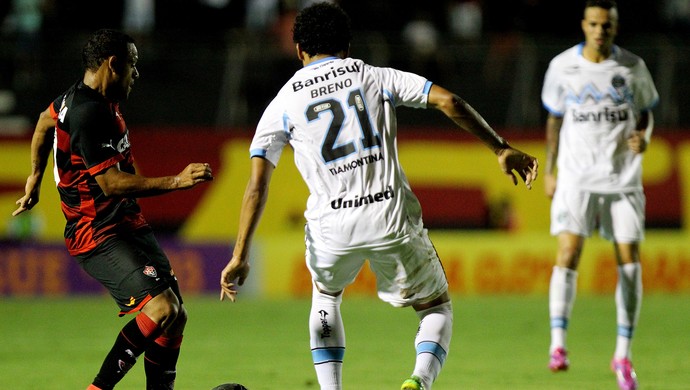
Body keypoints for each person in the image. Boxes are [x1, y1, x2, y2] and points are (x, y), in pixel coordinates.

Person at [219, 3, 538, 390]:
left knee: (326, 298)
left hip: (332, 225)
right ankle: (419, 381)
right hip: (390, 214)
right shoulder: (373, 75)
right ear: (347, 45)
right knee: (435, 307)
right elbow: (449, 102)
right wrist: (501, 147)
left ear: (299, 49)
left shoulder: (283, 102)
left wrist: (239, 254)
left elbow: (257, 184)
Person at [12, 29, 214, 390]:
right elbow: (111, 183)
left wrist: (34, 177)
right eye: (133, 65)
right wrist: (177, 181)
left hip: (125, 224)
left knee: (177, 315)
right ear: (114, 64)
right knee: (162, 308)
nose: (137, 74)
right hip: (97, 232)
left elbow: (44, 123)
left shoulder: (80, 101)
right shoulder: (88, 114)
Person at [541, 1, 658, 390]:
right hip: (575, 177)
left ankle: (623, 356)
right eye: (593, 24)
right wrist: (551, 170)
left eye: (606, 25)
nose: (599, 30)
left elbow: (645, 112)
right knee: (568, 252)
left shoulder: (632, 67)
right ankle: (558, 345)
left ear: (615, 27)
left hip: (622, 178)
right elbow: (555, 120)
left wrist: (645, 136)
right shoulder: (562, 67)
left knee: (629, 260)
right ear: (584, 25)